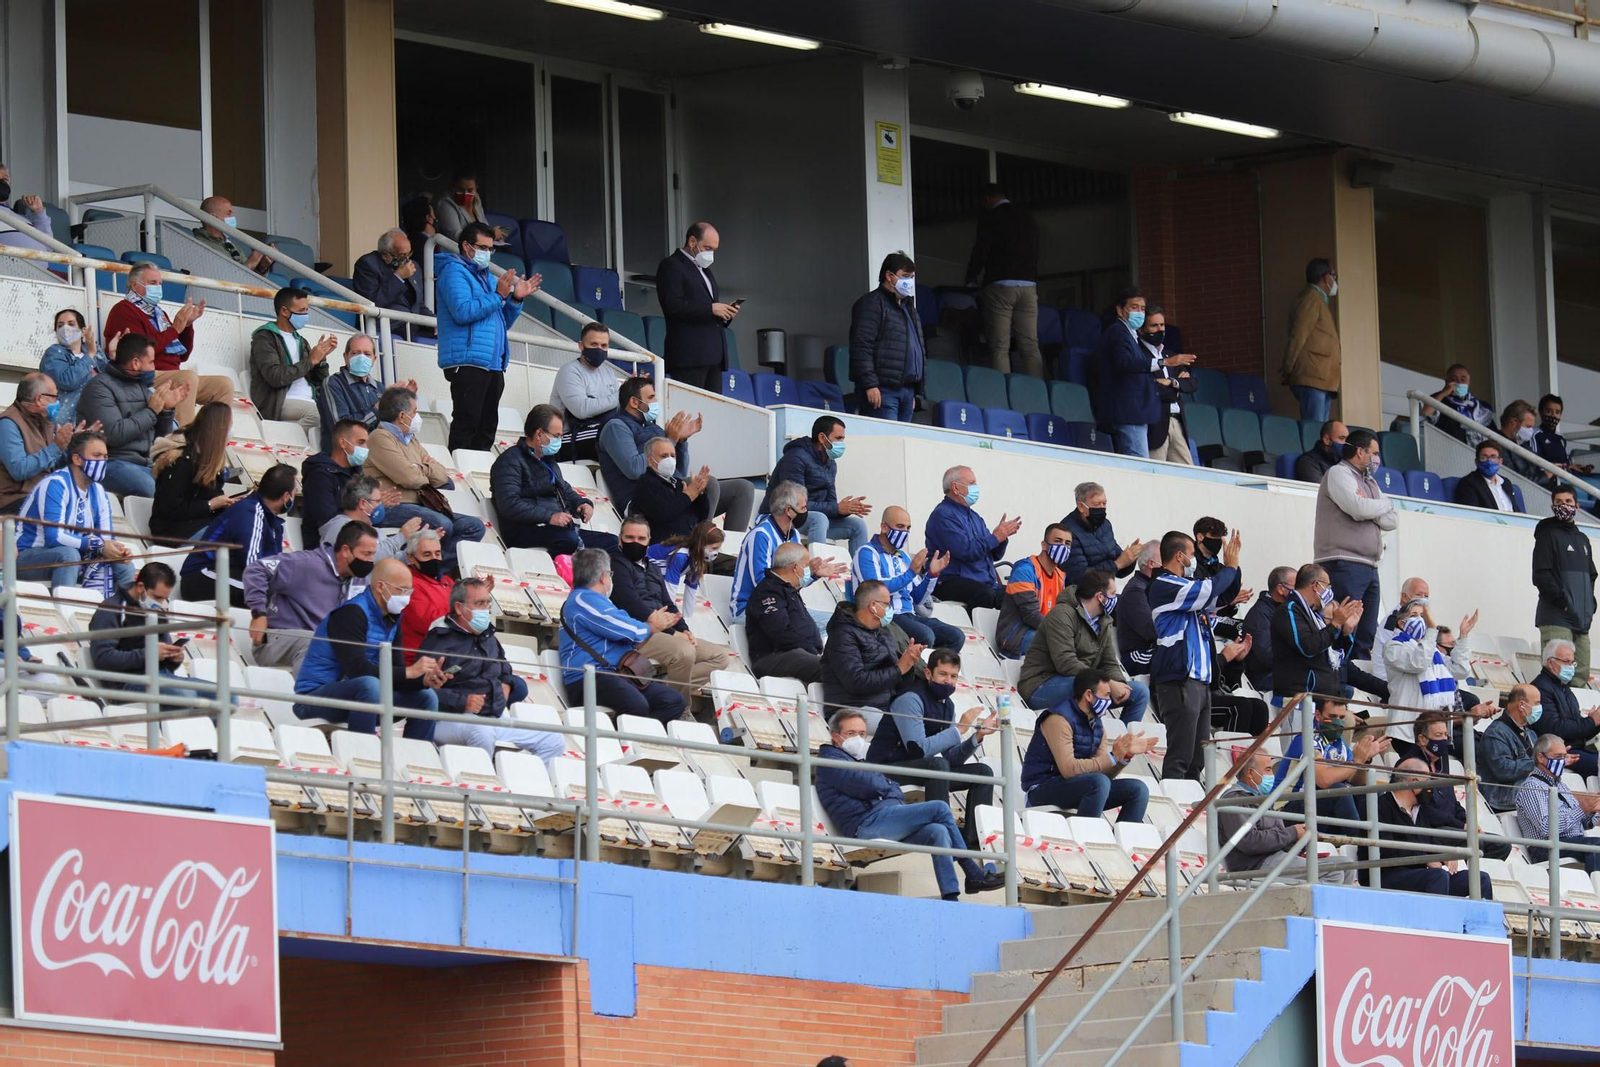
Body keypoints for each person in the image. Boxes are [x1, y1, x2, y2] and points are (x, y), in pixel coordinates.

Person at [816, 709, 1005, 900]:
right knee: (939, 808)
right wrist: (887, 786)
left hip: (883, 818)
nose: (858, 738)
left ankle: (950, 896)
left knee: (938, 831)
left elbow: (887, 786)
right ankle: (972, 871)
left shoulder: (857, 759)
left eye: (862, 734)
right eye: (851, 733)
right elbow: (867, 784)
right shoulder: (829, 760)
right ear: (835, 737)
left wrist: (887, 787)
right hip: (864, 825)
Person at [292, 558, 444, 738]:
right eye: (401, 590)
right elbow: (356, 670)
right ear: (381, 586)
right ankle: (363, 753)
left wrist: (423, 680)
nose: (407, 597)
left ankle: (415, 759)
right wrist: (409, 672)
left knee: (426, 697)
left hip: (366, 696)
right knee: (369, 685)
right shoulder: (350, 614)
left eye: (409, 590)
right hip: (315, 698)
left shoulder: (393, 619)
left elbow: (395, 674)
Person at [419, 577, 563, 764]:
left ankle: (520, 785)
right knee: (481, 732)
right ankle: (481, 784)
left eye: (487, 603)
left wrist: (507, 684)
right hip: (449, 719)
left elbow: (505, 668)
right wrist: (464, 702)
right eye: (479, 603)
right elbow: (421, 691)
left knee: (553, 740)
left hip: (492, 715)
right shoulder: (439, 640)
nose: (485, 609)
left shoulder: (488, 636)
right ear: (459, 608)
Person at [869, 649, 995, 850]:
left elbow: (952, 759)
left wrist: (976, 736)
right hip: (885, 768)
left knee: (983, 773)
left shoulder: (948, 706)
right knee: (937, 765)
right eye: (943, 674)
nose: (948, 681)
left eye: (953, 676)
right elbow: (918, 749)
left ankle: (972, 843)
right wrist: (959, 729)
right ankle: (943, 837)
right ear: (929, 674)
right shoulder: (910, 699)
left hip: (919, 768)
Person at [597, 376, 752, 529]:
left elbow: (679, 471)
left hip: (672, 491)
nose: (655, 401)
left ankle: (736, 550)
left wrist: (681, 441)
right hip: (642, 500)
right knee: (709, 484)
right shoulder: (615, 426)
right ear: (634, 402)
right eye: (651, 397)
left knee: (742, 489)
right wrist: (670, 439)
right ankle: (702, 542)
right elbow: (634, 469)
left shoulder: (653, 428)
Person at [1148, 529, 1242, 779]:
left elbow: (1224, 596)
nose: (1196, 562)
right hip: (1179, 679)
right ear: (1180, 556)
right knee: (1181, 754)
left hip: (1201, 681)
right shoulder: (1164, 584)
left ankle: (1191, 812)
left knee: (1197, 759)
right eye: (1192, 556)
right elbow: (1209, 590)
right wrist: (1229, 569)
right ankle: (1176, 811)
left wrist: (1234, 566)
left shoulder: (1189, 588)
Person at [437, 221, 536, 452]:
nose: (487, 253)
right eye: (482, 247)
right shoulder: (453, 272)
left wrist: (515, 299)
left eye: (490, 249)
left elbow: (501, 322)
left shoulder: (489, 278)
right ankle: (462, 476)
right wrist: (499, 296)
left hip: (493, 365)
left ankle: (479, 479)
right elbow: (462, 311)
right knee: (466, 425)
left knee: (487, 428)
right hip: (468, 361)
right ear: (466, 246)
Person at [558, 547, 686, 723]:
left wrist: (649, 626)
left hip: (617, 674)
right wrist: (652, 626)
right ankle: (623, 744)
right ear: (604, 576)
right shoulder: (582, 599)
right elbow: (628, 630)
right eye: (610, 574)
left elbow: (628, 625)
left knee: (673, 701)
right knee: (636, 705)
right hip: (588, 678)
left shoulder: (600, 601)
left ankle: (639, 741)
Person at [363, 386, 485, 567]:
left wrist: (419, 467)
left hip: (422, 504)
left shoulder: (410, 439)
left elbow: (442, 476)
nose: (417, 417)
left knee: (475, 527)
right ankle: (422, 568)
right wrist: (426, 468)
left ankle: (432, 570)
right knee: (443, 524)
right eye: (415, 412)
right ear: (402, 416)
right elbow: (409, 478)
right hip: (392, 506)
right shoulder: (379, 438)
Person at [102, 261, 231, 426]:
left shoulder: (157, 313)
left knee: (223, 385)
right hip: (145, 375)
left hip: (172, 374)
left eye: (160, 284)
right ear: (135, 285)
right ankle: (181, 444)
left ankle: (212, 442)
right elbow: (140, 354)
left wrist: (187, 326)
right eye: (153, 283)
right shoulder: (123, 310)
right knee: (186, 378)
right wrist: (175, 329)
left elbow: (182, 356)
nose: (158, 288)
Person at [609, 515, 728, 692]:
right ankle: (681, 709)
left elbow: (668, 603)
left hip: (662, 630)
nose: (635, 542)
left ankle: (664, 689)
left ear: (649, 541)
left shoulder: (653, 568)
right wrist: (673, 633)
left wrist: (683, 629)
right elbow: (630, 604)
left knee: (720, 657)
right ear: (620, 539)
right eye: (629, 538)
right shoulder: (615, 564)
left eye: (641, 538)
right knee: (685, 652)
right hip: (636, 633)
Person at [1017, 567, 1149, 720]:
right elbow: (1066, 663)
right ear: (1100, 596)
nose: (1116, 599)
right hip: (1041, 685)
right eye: (1113, 594)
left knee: (1140, 692)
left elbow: (1110, 662)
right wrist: (1106, 683)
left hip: (1086, 682)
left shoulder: (1104, 621)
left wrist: (1119, 684)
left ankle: (1126, 742)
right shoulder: (1062, 615)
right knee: (1088, 688)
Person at [245, 520, 377, 671]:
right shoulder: (305, 563)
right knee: (316, 644)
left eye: (373, 554)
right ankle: (307, 693)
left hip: (328, 646)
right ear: (346, 551)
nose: (370, 560)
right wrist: (258, 613)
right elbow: (256, 569)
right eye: (366, 554)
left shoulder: (361, 580)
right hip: (276, 640)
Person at [1020, 669, 1152, 818]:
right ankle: (1089, 835)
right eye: (1106, 695)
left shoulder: (1098, 725)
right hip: (1041, 789)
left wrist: (1123, 757)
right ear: (1088, 695)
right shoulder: (1058, 719)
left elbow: (1103, 772)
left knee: (1138, 790)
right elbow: (1068, 769)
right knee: (1098, 783)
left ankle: (1122, 840)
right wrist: (1112, 756)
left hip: (1079, 785)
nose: (1110, 701)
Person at [14, 430, 134, 591]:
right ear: (77, 459)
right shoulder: (55, 484)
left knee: (125, 566)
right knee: (69, 556)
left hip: (75, 554)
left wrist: (118, 552)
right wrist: (99, 545)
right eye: (97, 456)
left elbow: (105, 539)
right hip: (28, 557)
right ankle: (64, 610)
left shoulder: (99, 492)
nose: (102, 461)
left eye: (105, 457)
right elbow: (54, 537)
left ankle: (117, 615)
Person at [1313, 429, 1395, 660]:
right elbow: (1357, 509)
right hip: (1344, 562)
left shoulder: (1369, 482)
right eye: (1375, 453)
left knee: (1366, 631)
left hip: (1369, 566)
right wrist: (1381, 504)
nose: (1378, 459)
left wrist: (1371, 505)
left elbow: (1393, 520)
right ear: (1360, 452)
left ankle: (1360, 681)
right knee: (1346, 626)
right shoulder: (1339, 473)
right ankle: (1341, 679)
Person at [489, 405, 617, 554]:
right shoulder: (509, 461)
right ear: (539, 434)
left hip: (556, 529)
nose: (560, 440)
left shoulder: (547, 460)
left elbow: (563, 489)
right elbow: (509, 504)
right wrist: (549, 516)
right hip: (524, 530)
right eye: (556, 436)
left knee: (612, 543)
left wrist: (581, 503)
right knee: (569, 539)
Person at [1216, 750, 1353, 885]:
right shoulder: (1234, 799)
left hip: (1274, 857)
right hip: (1255, 865)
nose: (1272, 775)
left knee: (1346, 866)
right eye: (1268, 770)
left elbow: (1280, 839)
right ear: (1250, 773)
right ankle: (1309, 907)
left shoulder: (1263, 799)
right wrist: (1292, 833)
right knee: (1332, 872)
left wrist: (1301, 839)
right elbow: (1249, 841)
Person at [78, 332, 185, 498]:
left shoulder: (142, 388)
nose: (153, 368)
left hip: (146, 463)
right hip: (111, 463)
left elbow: (160, 439)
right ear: (135, 363)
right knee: (154, 491)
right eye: (150, 362)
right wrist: (151, 412)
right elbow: (114, 434)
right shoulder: (99, 387)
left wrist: (166, 411)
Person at [1094, 286, 1193, 458]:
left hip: (1138, 412)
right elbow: (1124, 363)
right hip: (1128, 411)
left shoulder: (1131, 334)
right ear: (1120, 310)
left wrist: (1170, 382)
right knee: (1140, 464)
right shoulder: (1117, 331)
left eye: (1142, 308)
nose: (1139, 312)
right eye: (1134, 307)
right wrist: (1165, 362)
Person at [179, 462, 295, 607]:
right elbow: (253, 565)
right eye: (294, 493)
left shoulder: (273, 522)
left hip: (231, 573)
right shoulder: (250, 512)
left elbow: (274, 565)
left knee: (288, 593)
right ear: (286, 497)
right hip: (200, 577)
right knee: (273, 595)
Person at [1375, 758, 1493, 899]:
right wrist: (1425, 859)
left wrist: (1445, 855)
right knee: (1437, 876)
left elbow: (1430, 840)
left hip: (1420, 874)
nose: (1431, 788)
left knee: (1480, 879)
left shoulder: (1422, 810)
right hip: (1387, 874)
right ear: (1414, 782)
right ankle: (1439, 921)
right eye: (1428, 782)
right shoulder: (1378, 806)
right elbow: (1385, 849)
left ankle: (1480, 921)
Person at [852, 506, 960, 652]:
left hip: (910, 615)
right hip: (884, 616)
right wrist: (910, 573)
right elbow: (874, 591)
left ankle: (935, 672)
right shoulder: (867, 552)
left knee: (956, 637)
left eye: (908, 528)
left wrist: (931, 575)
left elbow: (917, 598)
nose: (904, 532)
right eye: (900, 526)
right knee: (926, 636)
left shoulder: (904, 557)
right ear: (884, 527)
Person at [730, 481, 845, 618]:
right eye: (803, 508)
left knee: (833, 622)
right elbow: (762, 583)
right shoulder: (761, 536)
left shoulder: (794, 534)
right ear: (789, 510)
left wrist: (813, 574)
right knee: (815, 627)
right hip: (749, 609)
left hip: (781, 606)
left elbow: (792, 580)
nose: (806, 513)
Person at [763, 416, 871, 558]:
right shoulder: (795, 457)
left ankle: (862, 577)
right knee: (819, 519)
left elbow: (831, 504)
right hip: (783, 516)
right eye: (838, 438)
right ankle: (817, 572)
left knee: (858, 526)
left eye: (843, 439)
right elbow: (793, 503)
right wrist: (836, 508)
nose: (842, 444)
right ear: (822, 438)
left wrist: (845, 509)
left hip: (815, 520)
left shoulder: (831, 463)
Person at [1277, 696, 1388, 831]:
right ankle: (1361, 845)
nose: (1337, 722)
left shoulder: (1340, 744)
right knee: (1338, 790)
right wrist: (1357, 761)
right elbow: (1325, 780)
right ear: (1318, 715)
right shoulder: (1306, 740)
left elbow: (1356, 781)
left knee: (1372, 791)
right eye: (1332, 716)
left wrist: (1365, 760)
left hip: (1317, 808)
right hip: (1286, 811)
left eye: (1341, 718)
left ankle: (1380, 841)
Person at [965, 183, 1042, 377]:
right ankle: (1039, 392)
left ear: (988, 199)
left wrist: (972, 276)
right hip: (1028, 286)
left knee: (1000, 346)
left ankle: (1005, 394)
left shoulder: (991, 218)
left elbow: (981, 250)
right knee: (1030, 345)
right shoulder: (1028, 218)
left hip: (1001, 285)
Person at [821, 579, 925, 716]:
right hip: (851, 711)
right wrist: (899, 669)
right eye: (887, 604)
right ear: (873, 606)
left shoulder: (884, 634)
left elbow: (895, 685)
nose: (890, 609)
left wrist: (908, 665)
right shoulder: (842, 635)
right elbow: (856, 682)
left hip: (884, 707)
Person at [924, 465, 1020, 611]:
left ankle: (1008, 634)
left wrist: (1002, 537)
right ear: (955, 488)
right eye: (972, 483)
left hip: (983, 583)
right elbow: (966, 551)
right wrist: (996, 537)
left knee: (1018, 596)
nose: (976, 488)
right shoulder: (943, 515)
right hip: (950, 581)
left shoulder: (975, 517)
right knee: (985, 595)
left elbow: (994, 555)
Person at [655, 222, 739, 390]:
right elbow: (673, 305)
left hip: (714, 356)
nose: (710, 254)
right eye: (707, 248)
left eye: (714, 250)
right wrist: (711, 309)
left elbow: (707, 308)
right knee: (691, 411)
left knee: (711, 412)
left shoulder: (705, 271)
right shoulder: (671, 265)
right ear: (692, 242)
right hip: (689, 356)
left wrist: (724, 312)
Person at [1383, 597, 1476, 746]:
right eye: (1414, 615)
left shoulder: (1431, 650)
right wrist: (1432, 631)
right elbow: (1418, 663)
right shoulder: (1394, 646)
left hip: (1436, 732)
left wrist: (1463, 637)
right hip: (1406, 731)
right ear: (1401, 623)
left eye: (1422, 616)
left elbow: (1459, 670)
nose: (1420, 620)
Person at [1270, 564, 1359, 721]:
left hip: (1321, 701)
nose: (1329, 592)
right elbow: (1308, 646)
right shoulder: (1290, 610)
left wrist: (1346, 631)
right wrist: (1335, 624)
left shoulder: (1314, 615)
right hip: (1298, 701)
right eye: (1327, 586)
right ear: (1316, 585)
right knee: (1300, 746)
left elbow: (1335, 657)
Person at [87, 562, 188, 694]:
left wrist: (173, 658)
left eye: (164, 599)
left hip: (159, 677)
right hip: (126, 683)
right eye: (157, 597)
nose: (160, 603)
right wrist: (149, 654)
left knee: (219, 693)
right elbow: (103, 658)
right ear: (140, 587)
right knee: (186, 694)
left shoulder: (158, 613)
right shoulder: (111, 609)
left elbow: (164, 662)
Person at [849, 251, 925, 421]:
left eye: (911, 277)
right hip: (883, 391)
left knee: (902, 443)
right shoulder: (871, 304)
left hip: (907, 392)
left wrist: (913, 391)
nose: (909, 281)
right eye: (905, 276)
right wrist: (870, 384)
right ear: (889, 276)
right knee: (888, 443)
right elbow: (861, 347)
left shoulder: (909, 308)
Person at [250, 286, 335, 433]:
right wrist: (310, 361)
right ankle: (280, 438)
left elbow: (319, 380)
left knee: (339, 416)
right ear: (284, 311)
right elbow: (275, 377)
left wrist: (321, 360)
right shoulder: (265, 337)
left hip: (310, 400)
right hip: (278, 401)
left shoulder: (301, 341)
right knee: (317, 415)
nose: (306, 315)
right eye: (301, 311)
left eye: (307, 310)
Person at [1534, 486, 1597, 681]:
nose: (1564, 506)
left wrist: (1590, 605)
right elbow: (1541, 575)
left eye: (1568, 502)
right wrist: (1564, 601)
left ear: (1577, 506)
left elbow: (1591, 575)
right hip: (1556, 616)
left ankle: (1575, 712)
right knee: (1557, 674)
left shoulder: (1582, 539)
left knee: (1580, 675)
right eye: (1559, 502)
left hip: (1581, 617)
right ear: (1553, 506)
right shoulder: (1547, 534)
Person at [150, 401, 235, 539]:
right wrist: (210, 505)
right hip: (172, 531)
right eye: (229, 427)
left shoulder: (211, 459)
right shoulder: (180, 460)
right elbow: (171, 508)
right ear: (219, 430)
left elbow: (211, 495)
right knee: (230, 538)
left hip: (199, 523)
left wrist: (226, 503)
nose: (231, 432)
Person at [1516, 733, 1600, 873]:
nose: (1562, 761)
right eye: (1557, 757)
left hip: (1569, 843)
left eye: (1564, 757)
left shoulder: (1560, 785)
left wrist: (1593, 811)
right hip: (1545, 848)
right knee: (1596, 845)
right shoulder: (1532, 787)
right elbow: (1547, 828)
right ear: (1540, 757)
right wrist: (1581, 808)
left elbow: (1583, 823)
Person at [746, 542, 825, 684]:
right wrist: (813, 651)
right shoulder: (767, 592)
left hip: (798, 653)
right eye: (807, 566)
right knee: (830, 669)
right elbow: (780, 632)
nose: (809, 571)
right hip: (773, 657)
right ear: (795, 567)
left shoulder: (788, 589)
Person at [317, 336, 414, 451]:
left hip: (379, 452)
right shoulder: (333, 383)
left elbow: (392, 428)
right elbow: (341, 429)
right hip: (346, 456)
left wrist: (404, 404)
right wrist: (381, 405)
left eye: (367, 354)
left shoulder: (379, 387)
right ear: (345, 357)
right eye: (355, 353)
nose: (361, 358)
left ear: (374, 359)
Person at [0, 373, 75, 514]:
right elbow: (19, 470)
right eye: (54, 397)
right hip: (12, 499)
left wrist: (73, 444)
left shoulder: (44, 421)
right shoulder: (8, 424)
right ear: (39, 399)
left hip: (40, 494)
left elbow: (52, 464)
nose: (57, 402)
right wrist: (56, 447)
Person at [996, 524, 1072, 657]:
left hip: (1044, 632)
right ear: (1044, 545)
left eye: (1067, 544)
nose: (1063, 547)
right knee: (1062, 644)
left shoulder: (1061, 576)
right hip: (1016, 637)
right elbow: (1031, 615)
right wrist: (1060, 631)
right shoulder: (1025, 571)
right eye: (1058, 541)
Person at [549, 324, 621, 461]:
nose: (599, 349)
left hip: (596, 431)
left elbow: (616, 406)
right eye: (594, 344)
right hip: (568, 438)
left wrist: (632, 392)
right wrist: (620, 395)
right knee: (615, 434)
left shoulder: (608, 372)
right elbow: (581, 410)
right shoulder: (569, 371)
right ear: (581, 346)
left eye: (604, 345)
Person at [1531, 638, 1600, 780]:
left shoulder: (1563, 688)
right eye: (1566, 662)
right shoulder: (1541, 688)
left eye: (1572, 663)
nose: (1571, 667)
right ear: (1550, 662)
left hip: (1578, 748)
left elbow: (1578, 728)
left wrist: (1595, 722)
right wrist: (1591, 722)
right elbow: (1556, 729)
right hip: (1560, 752)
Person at [1282, 258, 1340, 422]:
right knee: (1313, 430)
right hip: (1313, 375)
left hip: (1322, 377)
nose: (1334, 281)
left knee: (1321, 432)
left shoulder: (1318, 299)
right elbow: (1298, 335)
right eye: (1334, 275)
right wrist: (1288, 366)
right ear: (1325, 277)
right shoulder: (1310, 299)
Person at [1139, 308, 1197, 464]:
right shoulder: (1139, 355)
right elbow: (1151, 388)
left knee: (1188, 474)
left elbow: (1192, 384)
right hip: (1156, 424)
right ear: (1142, 328)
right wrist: (1177, 389)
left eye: (1162, 325)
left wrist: (1171, 382)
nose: (1160, 330)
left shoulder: (1170, 355)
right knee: (1157, 473)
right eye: (1154, 326)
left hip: (1177, 422)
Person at [630, 437, 713, 542]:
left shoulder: (678, 483)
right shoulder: (645, 484)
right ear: (650, 460)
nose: (670, 460)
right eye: (664, 456)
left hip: (689, 544)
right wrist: (688, 496)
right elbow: (663, 513)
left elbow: (701, 516)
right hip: (665, 548)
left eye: (673, 456)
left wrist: (700, 493)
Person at [1059, 482, 1142, 585]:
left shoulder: (1105, 525)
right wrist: (1117, 564)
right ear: (1081, 507)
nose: (1102, 508)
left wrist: (1131, 557)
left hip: (1104, 593)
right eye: (1097, 504)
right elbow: (1078, 576)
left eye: (1104, 503)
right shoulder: (1067, 531)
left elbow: (1119, 567)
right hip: (1077, 597)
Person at [303, 419, 375, 537]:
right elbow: (328, 521)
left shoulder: (357, 472)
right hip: (328, 545)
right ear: (343, 443)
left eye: (366, 443)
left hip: (358, 536)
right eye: (361, 442)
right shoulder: (319, 476)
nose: (366, 448)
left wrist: (377, 506)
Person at [318, 475, 416, 562]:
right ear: (363, 503)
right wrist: (401, 537)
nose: (381, 506)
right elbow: (369, 558)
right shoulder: (340, 527)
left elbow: (392, 558)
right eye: (378, 501)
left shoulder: (375, 531)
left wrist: (414, 553)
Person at [39, 308, 105, 427]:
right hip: (64, 425)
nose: (65, 328)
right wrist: (89, 355)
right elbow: (67, 380)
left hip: (96, 422)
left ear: (83, 331)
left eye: (71, 324)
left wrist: (115, 354)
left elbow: (109, 378)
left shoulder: (96, 352)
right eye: (60, 325)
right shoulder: (53, 354)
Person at [1482, 684, 1543, 811]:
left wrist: (1556, 758)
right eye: (1537, 703)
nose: (1540, 708)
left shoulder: (1531, 733)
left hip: (1526, 792)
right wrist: (1540, 762)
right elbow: (1504, 770)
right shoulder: (1496, 732)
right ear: (1521, 705)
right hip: (1502, 797)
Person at [396, 528, 452, 660]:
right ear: (411, 558)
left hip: (446, 654)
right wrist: (463, 608)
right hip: (418, 660)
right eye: (427, 555)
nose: (434, 559)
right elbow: (430, 622)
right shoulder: (407, 584)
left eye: (437, 554)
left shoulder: (446, 581)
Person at [1112, 541, 1162, 676]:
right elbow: (1150, 631)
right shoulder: (1136, 591)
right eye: (1165, 560)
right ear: (1151, 564)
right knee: (1173, 657)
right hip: (1137, 655)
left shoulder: (1156, 588)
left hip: (1155, 649)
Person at [352, 229, 424, 321]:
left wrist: (436, 322)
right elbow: (371, 303)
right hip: (387, 324)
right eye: (402, 255)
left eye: (409, 254)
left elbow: (418, 305)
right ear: (385, 255)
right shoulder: (368, 264)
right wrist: (398, 278)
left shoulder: (413, 266)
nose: (407, 260)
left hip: (413, 323)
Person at [1241, 566, 1294, 691]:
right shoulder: (1260, 614)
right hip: (1264, 677)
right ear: (1281, 589)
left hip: (1283, 672)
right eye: (1296, 586)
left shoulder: (1289, 610)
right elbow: (1267, 656)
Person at [193, 195, 274, 273]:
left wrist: (261, 267)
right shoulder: (199, 244)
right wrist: (249, 264)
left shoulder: (230, 245)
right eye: (228, 213)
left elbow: (249, 279)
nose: (232, 217)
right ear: (213, 217)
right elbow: (221, 277)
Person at [1422, 364, 1495, 447]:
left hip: (1478, 455)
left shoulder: (1481, 406)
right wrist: (1444, 393)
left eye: (1463, 379)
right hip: (1450, 451)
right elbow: (1425, 413)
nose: (1459, 382)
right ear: (1447, 381)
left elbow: (1493, 434)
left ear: (1468, 382)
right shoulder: (1440, 399)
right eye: (1454, 379)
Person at [1531, 394, 1591, 486]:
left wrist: (1575, 467)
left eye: (1557, 412)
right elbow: (1535, 464)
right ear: (1541, 412)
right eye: (1548, 411)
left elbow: (1565, 462)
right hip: (1552, 481)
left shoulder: (1561, 438)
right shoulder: (1536, 435)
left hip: (1567, 478)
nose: (1553, 416)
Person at [433, 170, 506, 242]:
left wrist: (494, 232)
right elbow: (456, 237)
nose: (465, 194)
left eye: (470, 190)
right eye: (460, 189)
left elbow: (484, 226)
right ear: (454, 187)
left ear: (476, 188)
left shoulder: (476, 198)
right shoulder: (445, 204)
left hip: (480, 248)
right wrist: (490, 236)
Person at [1454, 440, 1524, 513]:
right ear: (1477, 461)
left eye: (1493, 457)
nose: (1489, 461)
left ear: (1500, 462)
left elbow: (1516, 511)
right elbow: (1472, 514)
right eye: (1484, 457)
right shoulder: (1469, 483)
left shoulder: (1506, 483)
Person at [1294, 420, 1348, 485]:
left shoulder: (1344, 462)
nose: (1346, 443)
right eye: (1341, 438)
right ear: (1327, 440)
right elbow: (1320, 490)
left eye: (1347, 440)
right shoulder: (1308, 461)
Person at [1498, 400, 1541, 481]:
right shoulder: (1496, 446)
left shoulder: (1524, 445)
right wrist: (1546, 476)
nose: (1531, 431)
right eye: (1528, 427)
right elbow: (1515, 479)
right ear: (1514, 423)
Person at [400, 196, 437, 269]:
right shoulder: (429, 245)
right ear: (429, 218)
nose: (435, 218)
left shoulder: (408, 243)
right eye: (434, 215)